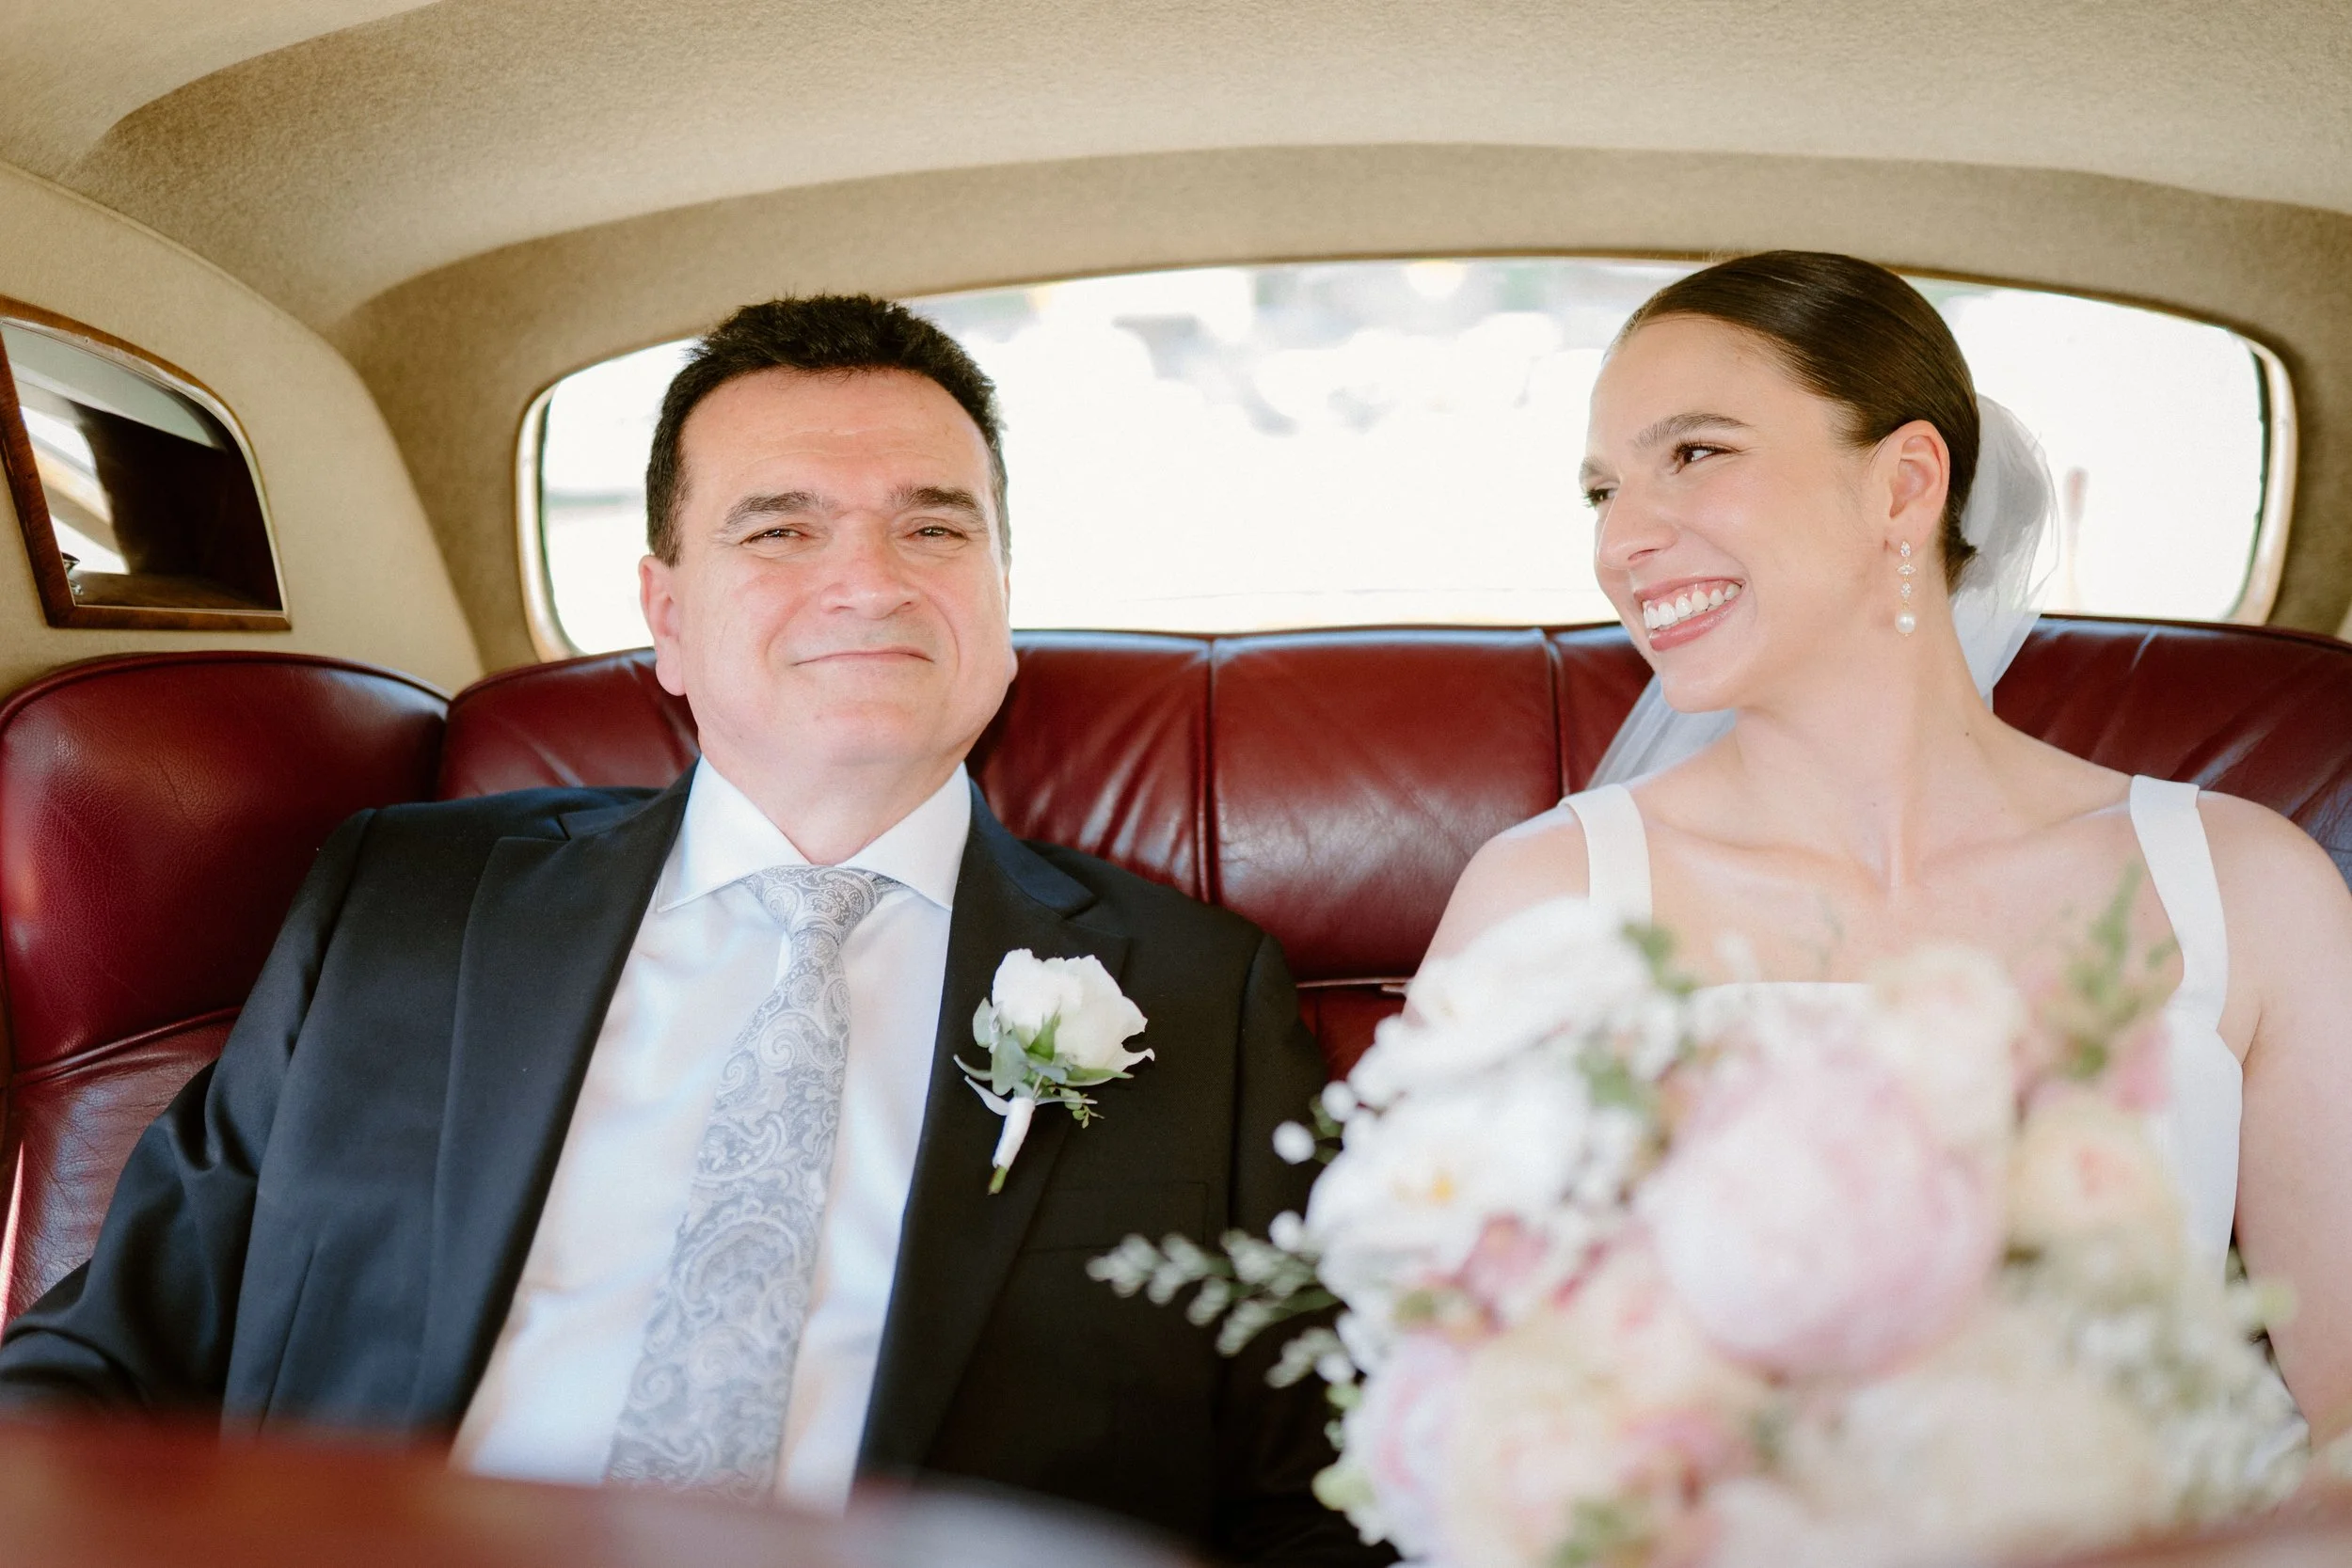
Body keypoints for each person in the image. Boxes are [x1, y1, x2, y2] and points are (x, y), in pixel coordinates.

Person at [0, 296, 1373, 1564]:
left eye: (936, 527)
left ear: (1001, 598)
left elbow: (1312, 1485)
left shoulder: (1193, 989)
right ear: (664, 614)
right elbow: (120, 1345)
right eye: (780, 527)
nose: (870, 582)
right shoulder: (402, 901)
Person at [1422, 251, 2352, 1444]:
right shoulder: (1541, 898)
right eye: (1602, 492)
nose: (1623, 542)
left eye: (1695, 454)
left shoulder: (2245, 886)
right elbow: (1470, 1407)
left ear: (1906, 485)